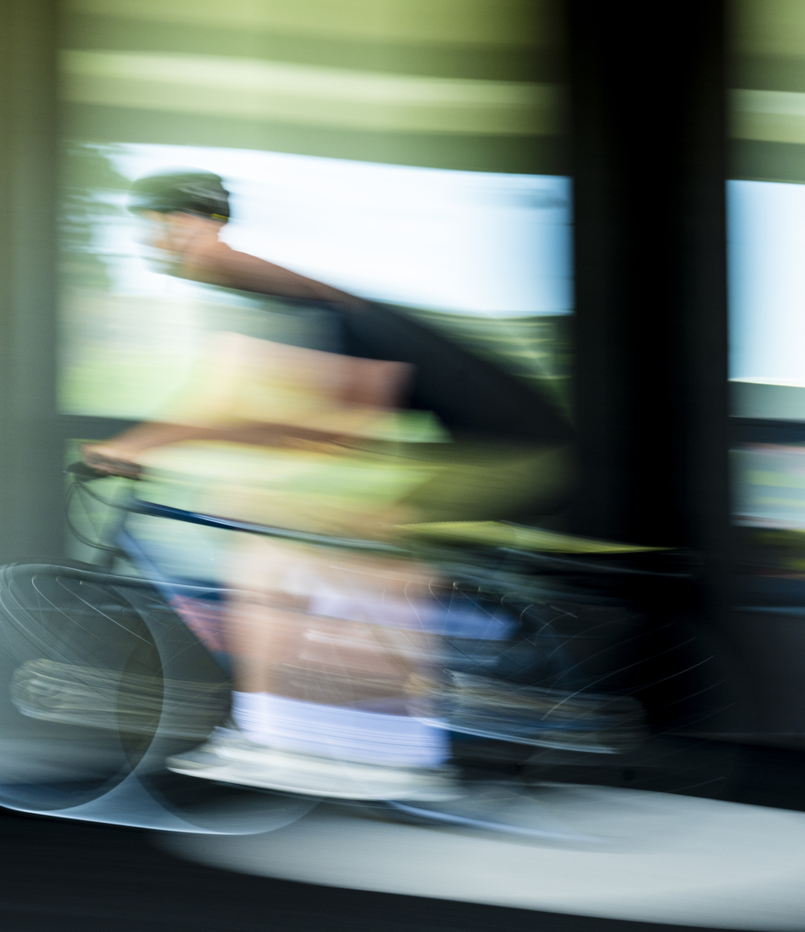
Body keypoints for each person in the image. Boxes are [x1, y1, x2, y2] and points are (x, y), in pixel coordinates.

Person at [82, 170, 574, 801]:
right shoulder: (253, 296)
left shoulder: (278, 289)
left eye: (154, 227)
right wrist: (147, 445)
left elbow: (331, 422)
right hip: (469, 443)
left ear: (189, 224)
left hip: (516, 451)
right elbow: (230, 405)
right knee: (285, 527)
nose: (149, 242)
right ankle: (312, 729)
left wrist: (149, 446)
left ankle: (384, 750)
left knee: (304, 537)